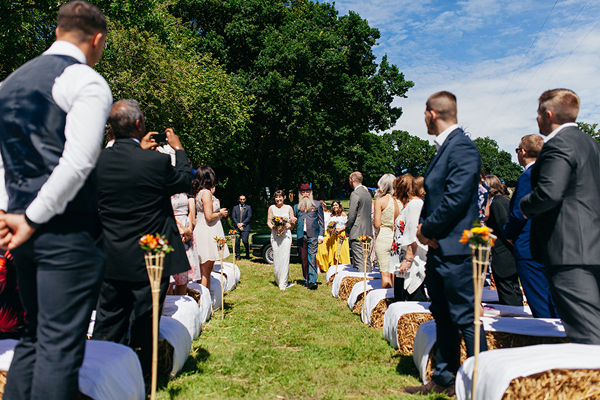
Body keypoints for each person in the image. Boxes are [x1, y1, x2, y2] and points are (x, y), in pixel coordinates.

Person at [0, 2, 111, 398]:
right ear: (96, 39)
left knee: (33, 337)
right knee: (60, 349)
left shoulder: (10, 82)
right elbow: (79, 161)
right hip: (64, 231)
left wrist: (7, 214)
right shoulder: (85, 80)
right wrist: (31, 217)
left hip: (19, 231)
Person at [91, 100, 192, 385]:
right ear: (139, 125)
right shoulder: (157, 161)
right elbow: (184, 180)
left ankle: (100, 380)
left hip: (109, 258)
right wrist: (178, 148)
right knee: (145, 324)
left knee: (108, 322)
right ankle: (143, 379)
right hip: (149, 259)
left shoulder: (95, 161)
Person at [406, 91, 487, 396]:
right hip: (440, 248)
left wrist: (427, 229)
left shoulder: (462, 148)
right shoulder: (443, 149)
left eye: (424, 114)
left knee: (465, 315)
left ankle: (483, 380)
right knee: (442, 312)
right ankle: (444, 378)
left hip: (455, 247)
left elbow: (456, 198)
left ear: (432, 114)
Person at [520, 88, 600, 344]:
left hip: (569, 249)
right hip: (590, 244)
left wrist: (524, 205)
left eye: (538, 113)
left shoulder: (558, 145)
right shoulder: (590, 143)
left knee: (584, 332)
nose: (537, 119)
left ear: (549, 114)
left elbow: (549, 193)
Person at [503, 134, 558, 318]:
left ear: (523, 152)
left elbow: (519, 211)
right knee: (551, 299)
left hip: (528, 244)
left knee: (539, 301)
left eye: (517, 150)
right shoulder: (551, 173)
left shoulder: (528, 176)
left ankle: (547, 339)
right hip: (549, 244)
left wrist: (507, 232)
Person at [485, 175, 523, 306]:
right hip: (508, 254)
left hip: (503, 255)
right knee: (512, 289)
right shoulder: (504, 200)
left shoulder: (497, 203)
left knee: (508, 292)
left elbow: (504, 228)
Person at [390, 175, 427, 301]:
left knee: (412, 298)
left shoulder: (414, 205)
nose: (394, 193)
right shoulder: (410, 205)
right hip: (402, 259)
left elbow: (413, 234)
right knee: (400, 297)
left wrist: (408, 260)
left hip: (409, 261)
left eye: (395, 189)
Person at [192, 165, 229, 290]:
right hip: (207, 231)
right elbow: (209, 216)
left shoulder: (201, 193)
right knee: (205, 270)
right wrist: (220, 213)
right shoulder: (206, 193)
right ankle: (204, 300)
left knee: (207, 269)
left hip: (208, 230)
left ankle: (207, 300)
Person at [293, 184, 324, 290]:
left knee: (312, 257)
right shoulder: (297, 207)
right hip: (301, 235)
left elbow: (322, 222)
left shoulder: (317, 204)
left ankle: (312, 281)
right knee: (304, 258)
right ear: (300, 194)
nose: (305, 194)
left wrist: (321, 235)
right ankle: (306, 279)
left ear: (310, 193)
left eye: (307, 192)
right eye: (303, 192)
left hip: (313, 235)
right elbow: (293, 219)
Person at [373, 173, 400, 288]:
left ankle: (386, 300)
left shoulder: (380, 201)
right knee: (395, 273)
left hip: (384, 236)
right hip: (397, 237)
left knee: (385, 273)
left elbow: (377, 224)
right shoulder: (401, 201)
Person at [267, 190, 296, 290]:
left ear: (284, 198)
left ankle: (283, 283)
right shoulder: (271, 208)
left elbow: (292, 222)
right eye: (276, 197)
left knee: (285, 258)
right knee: (277, 258)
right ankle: (278, 279)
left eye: (280, 197)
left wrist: (285, 227)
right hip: (275, 235)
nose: (278, 199)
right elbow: (269, 222)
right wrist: (274, 229)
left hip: (286, 236)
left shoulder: (289, 208)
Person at [346, 172, 374, 272]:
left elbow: (352, 214)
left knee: (360, 261)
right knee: (367, 260)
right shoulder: (368, 193)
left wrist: (347, 229)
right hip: (367, 230)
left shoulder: (355, 193)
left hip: (357, 230)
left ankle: (362, 284)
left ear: (352, 180)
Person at [317, 201, 350, 271]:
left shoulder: (343, 214)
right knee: (334, 252)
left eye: (336, 205)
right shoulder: (331, 215)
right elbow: (329, 225)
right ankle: (335, 268)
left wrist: (340, 229)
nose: (335, 207)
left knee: (341, 252)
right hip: (333, 235)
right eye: (333, 205)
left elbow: (347, 225)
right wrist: (332, 229)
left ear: (339, 206)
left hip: (341, 235)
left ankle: (343, 268)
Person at [232, 195, 252, 260]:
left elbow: (249, 217)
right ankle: (238, 255)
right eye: (241, 199)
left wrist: (242, 224)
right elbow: (233, 217)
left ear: (245, 200)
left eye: (243, 199)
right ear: (239, 200)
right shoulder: (235, 208)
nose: (242, 200)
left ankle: (247, 254)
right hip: (237, 227)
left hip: (245, 227)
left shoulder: (248, 207)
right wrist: (238, 224)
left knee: (245, 241)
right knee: (237, 242)